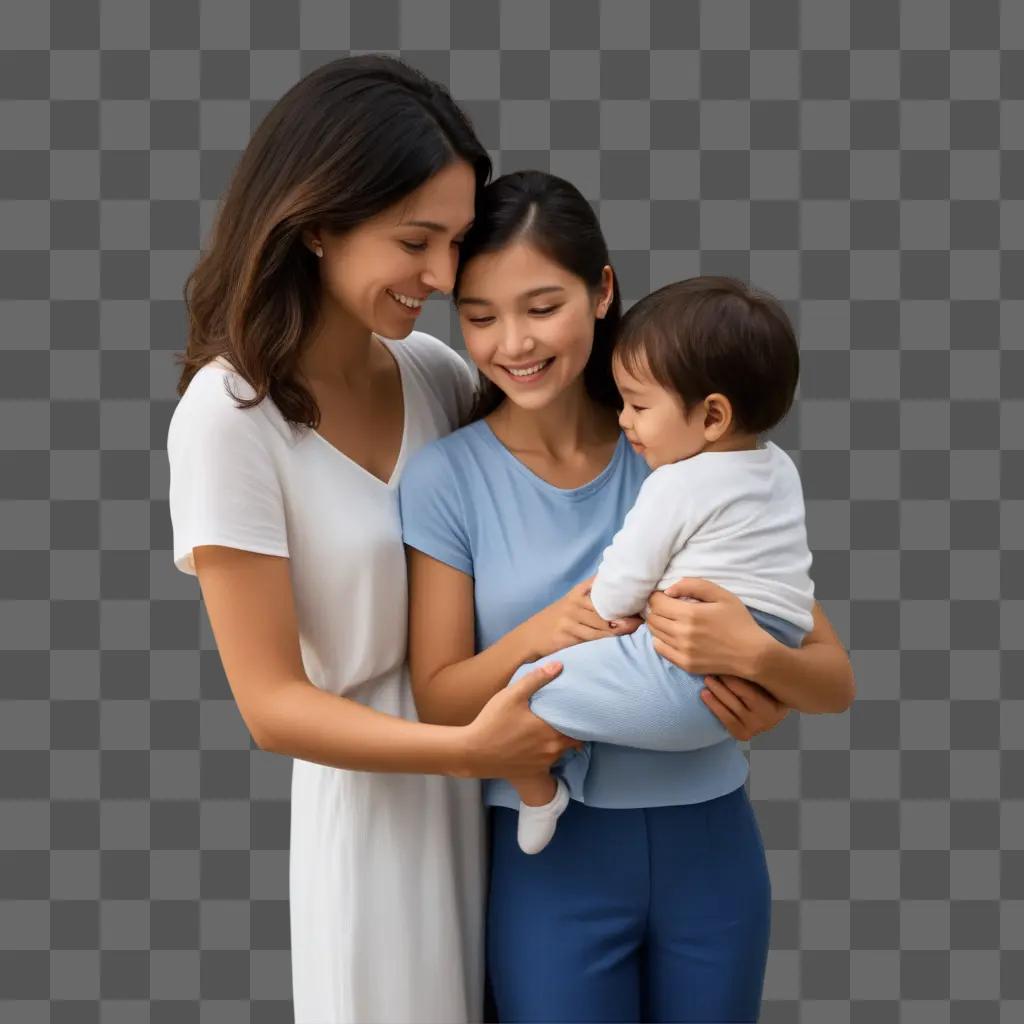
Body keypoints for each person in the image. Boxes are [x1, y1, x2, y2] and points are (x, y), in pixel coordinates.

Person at [166, 56, 587, 1024]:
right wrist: (466, 749)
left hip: (517, 794)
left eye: (455, 241)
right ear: (317, 222)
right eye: (415, 240)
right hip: (377, 816)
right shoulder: (229, 419)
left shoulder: (436, 374)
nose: (444, 277)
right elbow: (271, 704)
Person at [400, 171, 855, 1023]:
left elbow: (831, 678)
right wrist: (534, 634)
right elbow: (439, 700)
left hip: (712, 845)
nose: (513, 343)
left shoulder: (685, 451)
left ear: (602, 290)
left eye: (542, 306)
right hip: (553, 864)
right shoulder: (445, 481)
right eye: (479, 315)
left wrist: (755, 663)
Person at [504, 276, 816, 855]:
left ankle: (540, 793)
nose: (625, 420)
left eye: (639, 405)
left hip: (680, 675)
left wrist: (601, 614)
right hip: (762, 665)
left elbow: (627, 573)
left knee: (526, 691)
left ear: (713, 417)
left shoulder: (677, 482)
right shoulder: (777, 467)